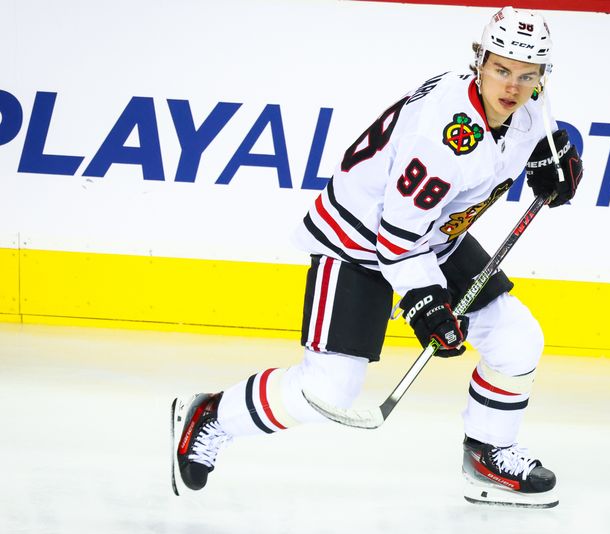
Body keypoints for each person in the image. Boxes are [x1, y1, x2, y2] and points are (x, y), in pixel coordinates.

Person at [171, 6, 583, 508]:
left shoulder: (531, 99)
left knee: (518, 339)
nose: (513, 87)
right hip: (360, 240)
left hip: (433, 236)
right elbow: (395, 235)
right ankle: (212, 417)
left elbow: (539, 132)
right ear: (479, 60)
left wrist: (553, 159)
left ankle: (487, 457)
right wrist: (425, 303)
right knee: (329, 390)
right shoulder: (443, 136)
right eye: (501, 69)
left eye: (527, 75)